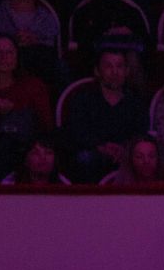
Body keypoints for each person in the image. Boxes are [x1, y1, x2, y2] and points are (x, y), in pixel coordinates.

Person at [0, 34, 53, 180]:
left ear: (17, 57)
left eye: (9, 53)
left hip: (29, 150)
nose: (4, 58)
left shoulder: (34, 86)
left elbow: (47, 127)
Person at [61, 48, 150, 182]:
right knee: (84, 159)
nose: (115, 72)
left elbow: (141, 133)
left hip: (128, 153)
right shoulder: (82, 99)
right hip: (93, 152)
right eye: (108, 66)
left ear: (127, 71)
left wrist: (125, 149)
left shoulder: (136, 102)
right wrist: (101, 147)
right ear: (97, 71)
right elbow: (75, 132)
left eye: (119, 66)